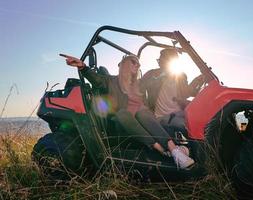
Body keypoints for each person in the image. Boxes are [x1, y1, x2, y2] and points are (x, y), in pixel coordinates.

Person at [60, 53, 195, 169]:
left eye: (139, 64)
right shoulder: (111, 81)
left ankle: (173, 151)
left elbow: (162, 76)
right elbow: (96, 79)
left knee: (142, 111)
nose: (138, 65)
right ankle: (161, 148)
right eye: (134, 62)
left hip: (144, 122)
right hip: (124, 124)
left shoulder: (140, 84)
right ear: (124, 64)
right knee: (123, 113)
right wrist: (82, 66)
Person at [141, 48, 205, 133]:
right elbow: (139, 90)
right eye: (159, 59)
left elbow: (187, 93)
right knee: (190, 127)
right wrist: (146, 110)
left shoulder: (180, 75)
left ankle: (209, 145)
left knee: (201, 120)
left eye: (161, 59)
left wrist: (198, 80)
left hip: (179, 112)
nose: (159, 61)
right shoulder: (151, 74)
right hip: (162, 116)